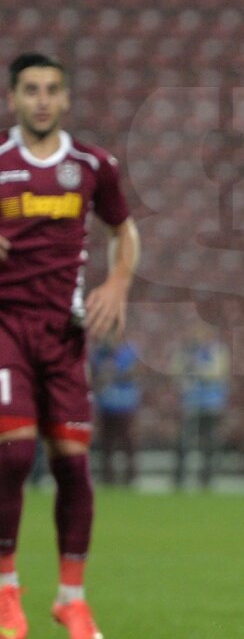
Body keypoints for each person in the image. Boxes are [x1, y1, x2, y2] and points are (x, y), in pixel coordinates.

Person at [0, 52, 140, 639]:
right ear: (13, 98)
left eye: (51, 89)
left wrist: (118, 282)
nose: (41, 100)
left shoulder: (92, 165)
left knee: (74, 467)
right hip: (6, 327)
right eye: (30, 89)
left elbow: (123, 231)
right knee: (12, 456)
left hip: (64, 334)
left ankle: (71, 599)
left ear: (66, 99)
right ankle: (6, 591)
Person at [172, 322, 231, 490]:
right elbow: (176, 370)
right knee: (184, 442)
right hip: (191, 402)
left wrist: (199, 369)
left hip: (211, 404)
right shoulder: (187, 352)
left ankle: (207, 478)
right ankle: (179, 478)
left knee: (209, 444)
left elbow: (218, 373)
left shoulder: (218, 351)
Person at [89, 339, 141, 486]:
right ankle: (108, 478)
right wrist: (102, 378)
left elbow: (134, 374)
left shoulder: (130, 352)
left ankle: (130, 477)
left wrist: (114, 372)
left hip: (125, 405)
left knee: (128, 443)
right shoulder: (99, 353)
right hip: (106, 405)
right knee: (107, 444)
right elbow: (94, 378)